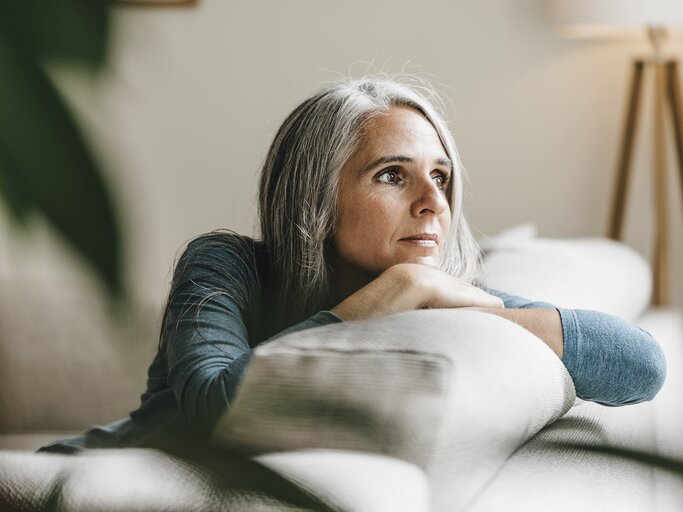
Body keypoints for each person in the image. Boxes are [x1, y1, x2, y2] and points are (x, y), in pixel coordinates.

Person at [39, 76, 667, 454]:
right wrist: (390, 294)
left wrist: (488, 308)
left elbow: (640, 366)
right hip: (77, 472)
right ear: (317, 195)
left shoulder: (437, 292)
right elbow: (217, 405)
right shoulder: (227, 264)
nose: (432, 203)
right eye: (393, 175)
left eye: (441, 178)